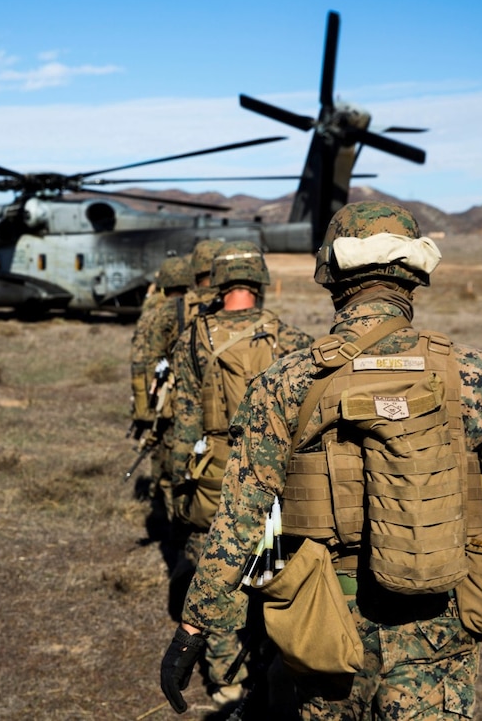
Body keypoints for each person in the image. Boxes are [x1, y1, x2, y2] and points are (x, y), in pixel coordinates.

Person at [160, 201, 482, 719]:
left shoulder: (286, 382)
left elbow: (240, 522)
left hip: (325, 624)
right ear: (414, 272)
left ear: (332, 274)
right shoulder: (475, 373)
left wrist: (195, 626)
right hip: (439, 623)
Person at [166, 239, 313, 709]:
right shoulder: (289, 339)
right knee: (272, 567)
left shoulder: (193, 337)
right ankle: (272, 665)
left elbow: (183, 420)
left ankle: (225, 679)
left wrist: (179, 481)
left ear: (221, 280)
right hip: (276, 476)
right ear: (259, 280)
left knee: (214, 567)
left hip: (213, 472)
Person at [129, 254, 194, 514]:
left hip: (165, 400)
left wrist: (144, 407)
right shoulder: (201, 308)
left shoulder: (154, 314)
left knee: (162, 458)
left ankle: (163, 509)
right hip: (193, 402)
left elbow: (141, 360)